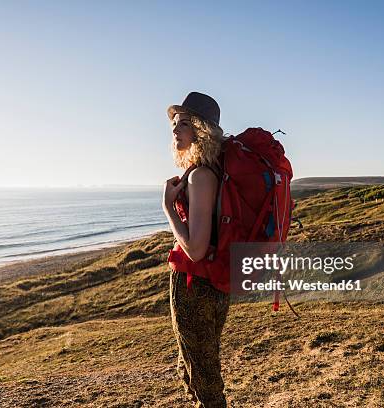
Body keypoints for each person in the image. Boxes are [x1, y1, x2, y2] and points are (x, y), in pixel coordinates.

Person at [162, 92, 230, 408]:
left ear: (201, 130)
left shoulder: (201, 176)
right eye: (174, 123)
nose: (176, 130)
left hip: (196, 286)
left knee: (204, 378)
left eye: (185, 123)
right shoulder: (206, 171)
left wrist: (168, 208)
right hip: (209, 285)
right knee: (193, 368)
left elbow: (196, 249)